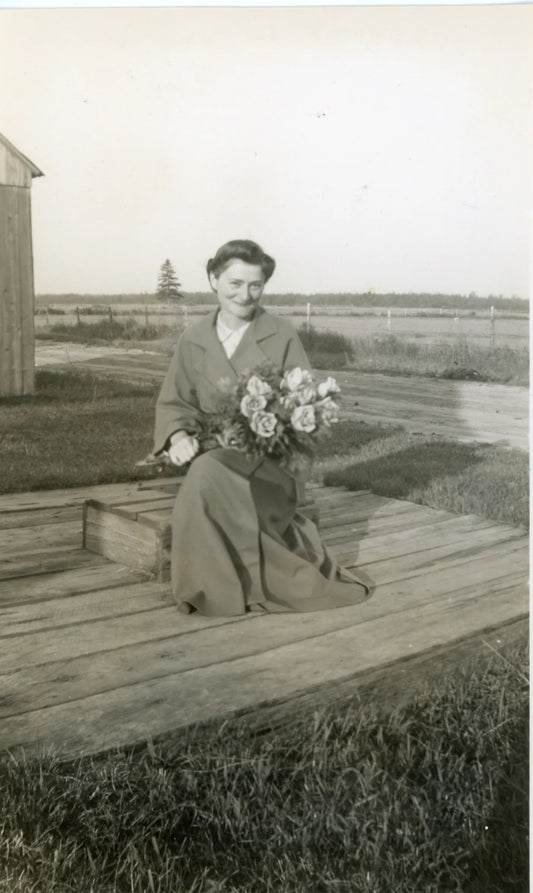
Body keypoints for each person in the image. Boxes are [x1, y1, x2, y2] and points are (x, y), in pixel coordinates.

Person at [153, 239, 371, 615]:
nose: (245, 295)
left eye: (255, 285)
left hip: (271, 462)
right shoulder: (194, 339)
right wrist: (178, 435)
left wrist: (267, 429)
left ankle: (215, 592)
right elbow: (176, 401)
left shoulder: (280, 333)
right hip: (215, 453)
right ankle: (208, 586)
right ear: (213, 279)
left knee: (205, 474)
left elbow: (305, 406)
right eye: (235, 283)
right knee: (206, 470)